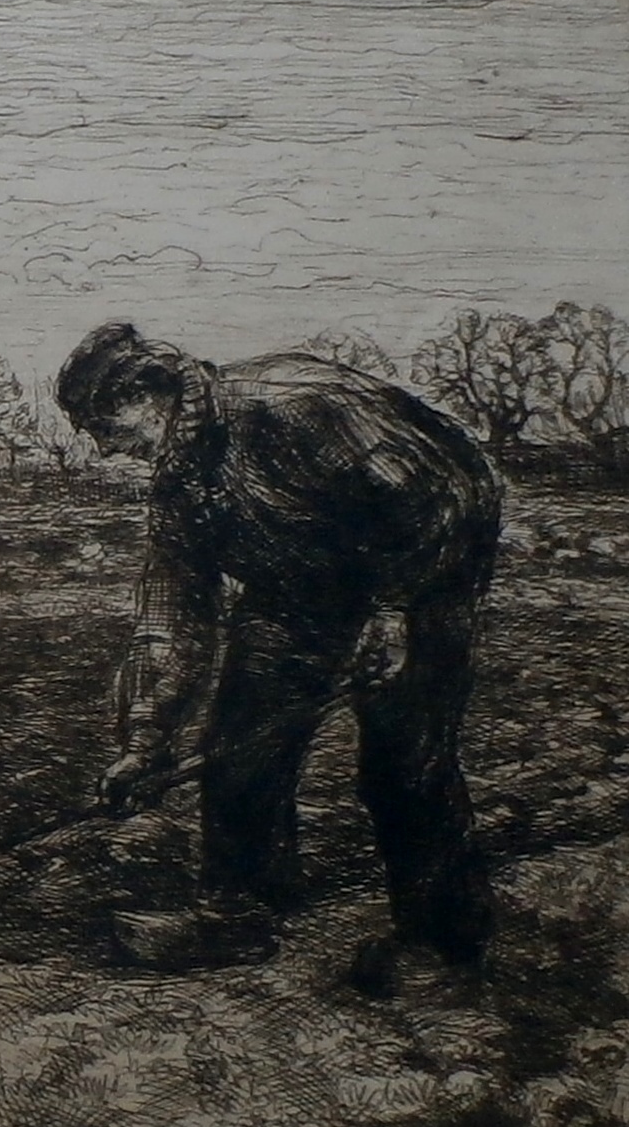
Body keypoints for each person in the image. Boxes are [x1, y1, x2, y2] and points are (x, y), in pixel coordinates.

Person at [54, 322, 502, 989]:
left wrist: (396, 611)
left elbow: (436, 494)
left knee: (405, 755)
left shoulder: (288, 404)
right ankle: (240, 908)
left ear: (151, 391)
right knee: (240, 739)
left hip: (423, 569)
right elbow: (174, 615)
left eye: (102, 424)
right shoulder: (179, 486)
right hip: (298, 592)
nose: (104, 448)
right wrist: (148, 740)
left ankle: (442, 941)